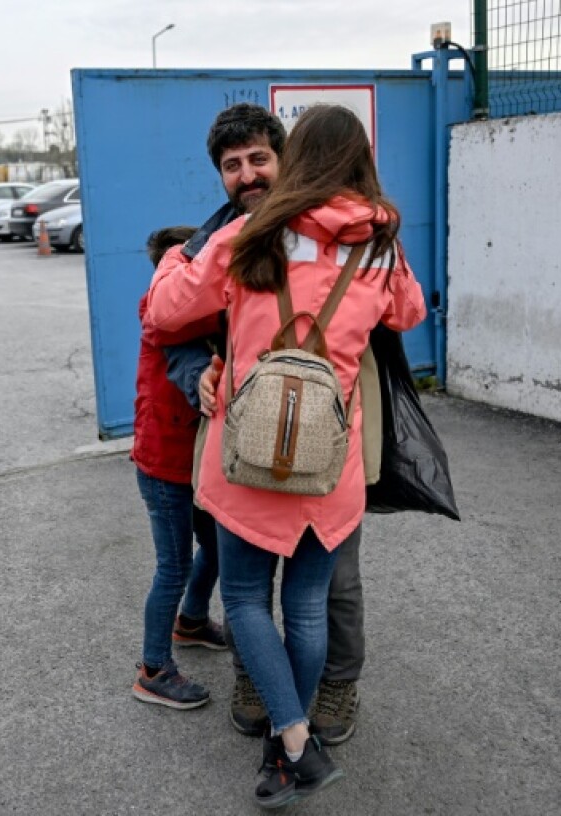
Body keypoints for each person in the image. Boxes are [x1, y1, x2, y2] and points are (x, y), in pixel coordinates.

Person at [145, 104, 427, 808]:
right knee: (307, 605)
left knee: (243, 596)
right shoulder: (381, 244)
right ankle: (286, 743)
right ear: (361, 159)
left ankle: (293, 737)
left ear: (291, 158)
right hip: (330, 459)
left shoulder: (251, 232)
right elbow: (409, 314)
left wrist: (183, 256)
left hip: (250, 454)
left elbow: (166, 312)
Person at [165, 102, 368, 748]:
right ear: (219, 176)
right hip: (266, 440)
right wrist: (197, 365)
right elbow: (171, 328)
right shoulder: (224, 235)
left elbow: (166, 300)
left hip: (317, 441)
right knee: (294, 592)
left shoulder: (351, 237)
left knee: (328, 589)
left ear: (289, 162)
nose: (247, 175)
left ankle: (331, 686)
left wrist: (170, 262)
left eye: (259, 160)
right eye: (232, 166)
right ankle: (271, 690)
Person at [129, 226, 228, 711]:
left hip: (195, 462)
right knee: (174, 565)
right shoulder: (165, 317)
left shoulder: (194, 314)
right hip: (165, 465)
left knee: (215, 547)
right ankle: (153, 669)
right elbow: (195, 375)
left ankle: (190, 621)